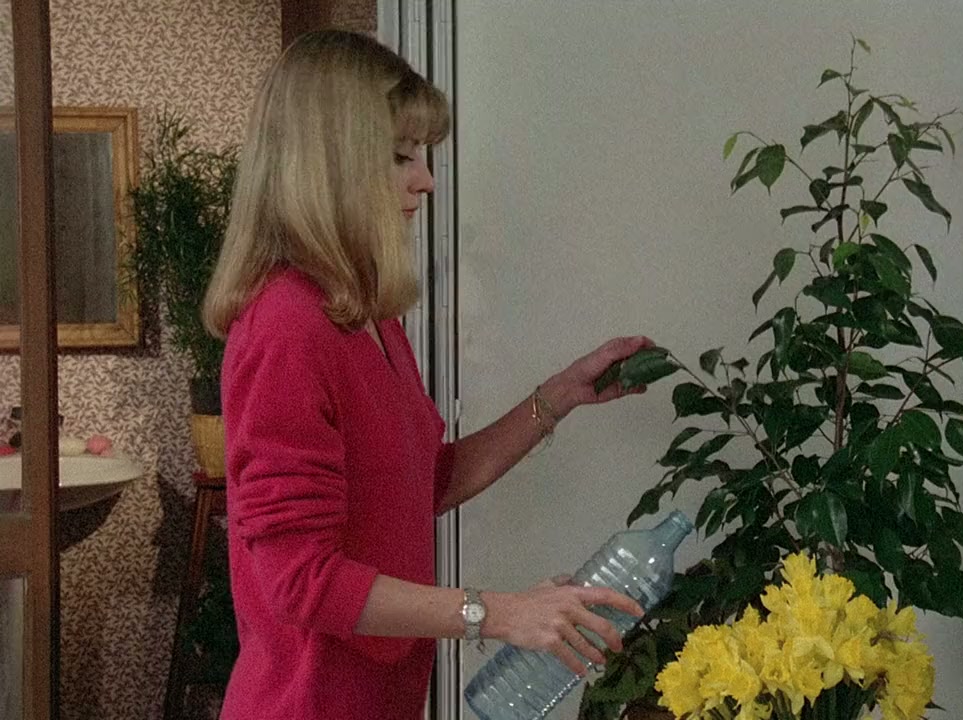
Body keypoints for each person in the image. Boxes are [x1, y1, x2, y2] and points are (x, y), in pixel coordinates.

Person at [202, 29, 653, 720]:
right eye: (400, 156)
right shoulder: (285, 328)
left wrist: (558, 396)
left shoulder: (365, 318)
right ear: (328, 166)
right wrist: (498, 613)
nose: (426, 179)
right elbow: (300, 580)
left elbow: (421, 484)